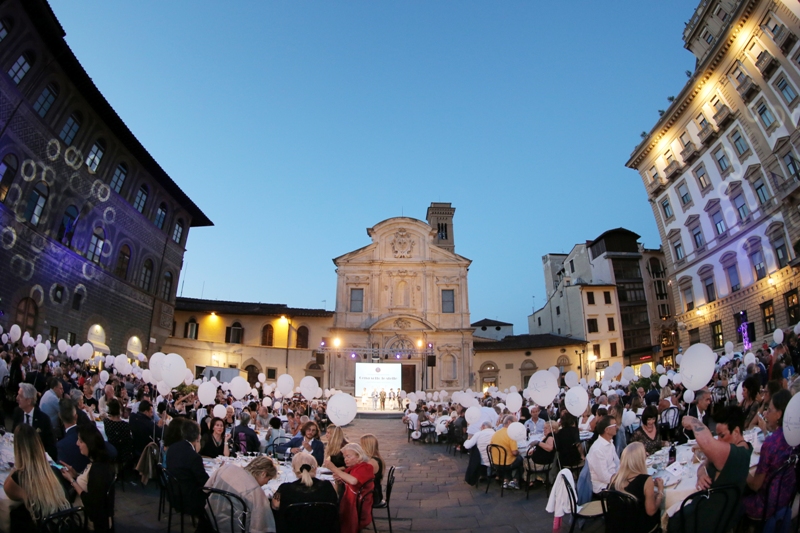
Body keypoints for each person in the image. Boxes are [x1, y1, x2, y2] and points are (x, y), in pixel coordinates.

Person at [670, 406, 752, 533]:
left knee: (673, 520)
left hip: (710, 519)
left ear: (736, 432)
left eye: (722, 435)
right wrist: (701, 472)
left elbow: (707, 442)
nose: (718, 440)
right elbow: (707, 460)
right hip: (721, 513)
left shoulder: (737, 454)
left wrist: (693, 421)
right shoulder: (741, 449)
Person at [4, 424, 69, 530]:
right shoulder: (54, 471)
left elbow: (8, 490)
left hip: (43, 526)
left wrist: (18, 465)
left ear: (18, 448)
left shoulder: (19, 477)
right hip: (63, 524)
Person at [742, 389, 795, 520]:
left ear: (779, 415)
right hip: (787, 497)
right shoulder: (794, 437)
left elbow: (755, 485)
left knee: (734, 499)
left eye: (769, 410)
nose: (765, 414)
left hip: (766, 505)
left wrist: (742, 468)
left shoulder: (771, 444)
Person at [59, 425, 116, 532]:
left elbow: (91, 502)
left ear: (89, 444)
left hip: (86, 520)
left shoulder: (98, 469)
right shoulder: (98, 462)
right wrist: (75, 474)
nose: (77, 444)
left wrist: (72, 481)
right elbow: (91, 483)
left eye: (80, 441)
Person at [205, 456, 278, 533]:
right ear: (263, 474)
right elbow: (260, 525)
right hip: (235, 527)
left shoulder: (226, 468)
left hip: (210, 519)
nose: (266, 483)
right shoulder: (256, 492)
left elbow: (206, 489)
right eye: (268, 479)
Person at [272, 452, 339, 533]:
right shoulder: (328, 486)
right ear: (315, 468)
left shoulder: (284, 488)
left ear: (293, 470)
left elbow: (275, 506)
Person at [609, 442, 663, 533]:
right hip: (639, 527)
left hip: (617, 526)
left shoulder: (614, 478)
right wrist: (660, 491)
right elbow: (651, 511)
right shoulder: (646, 480)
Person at [323, 444, 374, 533]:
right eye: (344, 457)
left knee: (327, 511)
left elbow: (354, 481)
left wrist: (334, 468)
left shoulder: (366, 467)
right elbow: (350, 479)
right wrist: (342, 478)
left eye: (348, 456)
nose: (345, 459)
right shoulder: (353, 468)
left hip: (357, 509)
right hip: (353, 503)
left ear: (359, 456)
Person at [165, 420, 209, 518]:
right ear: (198, 436)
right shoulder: (193, 457)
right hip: (188, 498)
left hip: (172, 492)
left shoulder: (172, 448)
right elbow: (205, 482)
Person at [13, 382, 58, 461]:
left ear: (29, 401)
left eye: (20, 396)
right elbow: (13, 433)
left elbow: (51, 446)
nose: (17, 398)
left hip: (37, 458)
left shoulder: (43, 419)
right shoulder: (17, 412)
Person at [586, 416, 620, 496]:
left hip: (613, 479)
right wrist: (620, 479)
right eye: (614, 425)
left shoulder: (610, 443)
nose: (616, 427)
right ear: (607, 430)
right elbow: (604, 477)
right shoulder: (597, 449)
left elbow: (617, 463)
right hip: (603, 488)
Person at [489, 415, 523, 490]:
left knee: (508, 458)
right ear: (509, 422)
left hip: (495, 463)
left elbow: (490, 448)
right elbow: (514, 452)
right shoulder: (511, 435)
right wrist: (518, 452)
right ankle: (515, 480)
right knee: (521, 459)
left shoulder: (496, 433)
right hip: (506, 464)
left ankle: (506, 480)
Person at [57, 398, 90, 473]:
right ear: (76, 416)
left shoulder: (62, 445)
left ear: (60, 416)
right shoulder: (88, 434)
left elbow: (62, 471)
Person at [103, 398, 134, 466]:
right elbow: (128, 440)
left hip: (112, 449)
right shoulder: (125, 425)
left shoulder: (106, 422)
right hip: (124, 453)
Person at [524, 421, 555, 487]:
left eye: (546, 428)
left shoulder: (550, 437)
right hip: (542, 460)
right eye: (544, 428)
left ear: (552, 429)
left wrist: (537, 443)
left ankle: (530, 480)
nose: (544, 430)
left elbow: (549, 448)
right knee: (527, 459)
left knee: (525, 460)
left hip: (543, 463)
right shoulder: (549, 436)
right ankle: (538, 478)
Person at [360, 434, 384, 504]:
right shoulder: (375, 458)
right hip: (374, 492)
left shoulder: (371, 462)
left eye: (361, 445)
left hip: (373, 496)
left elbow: (361, 479)